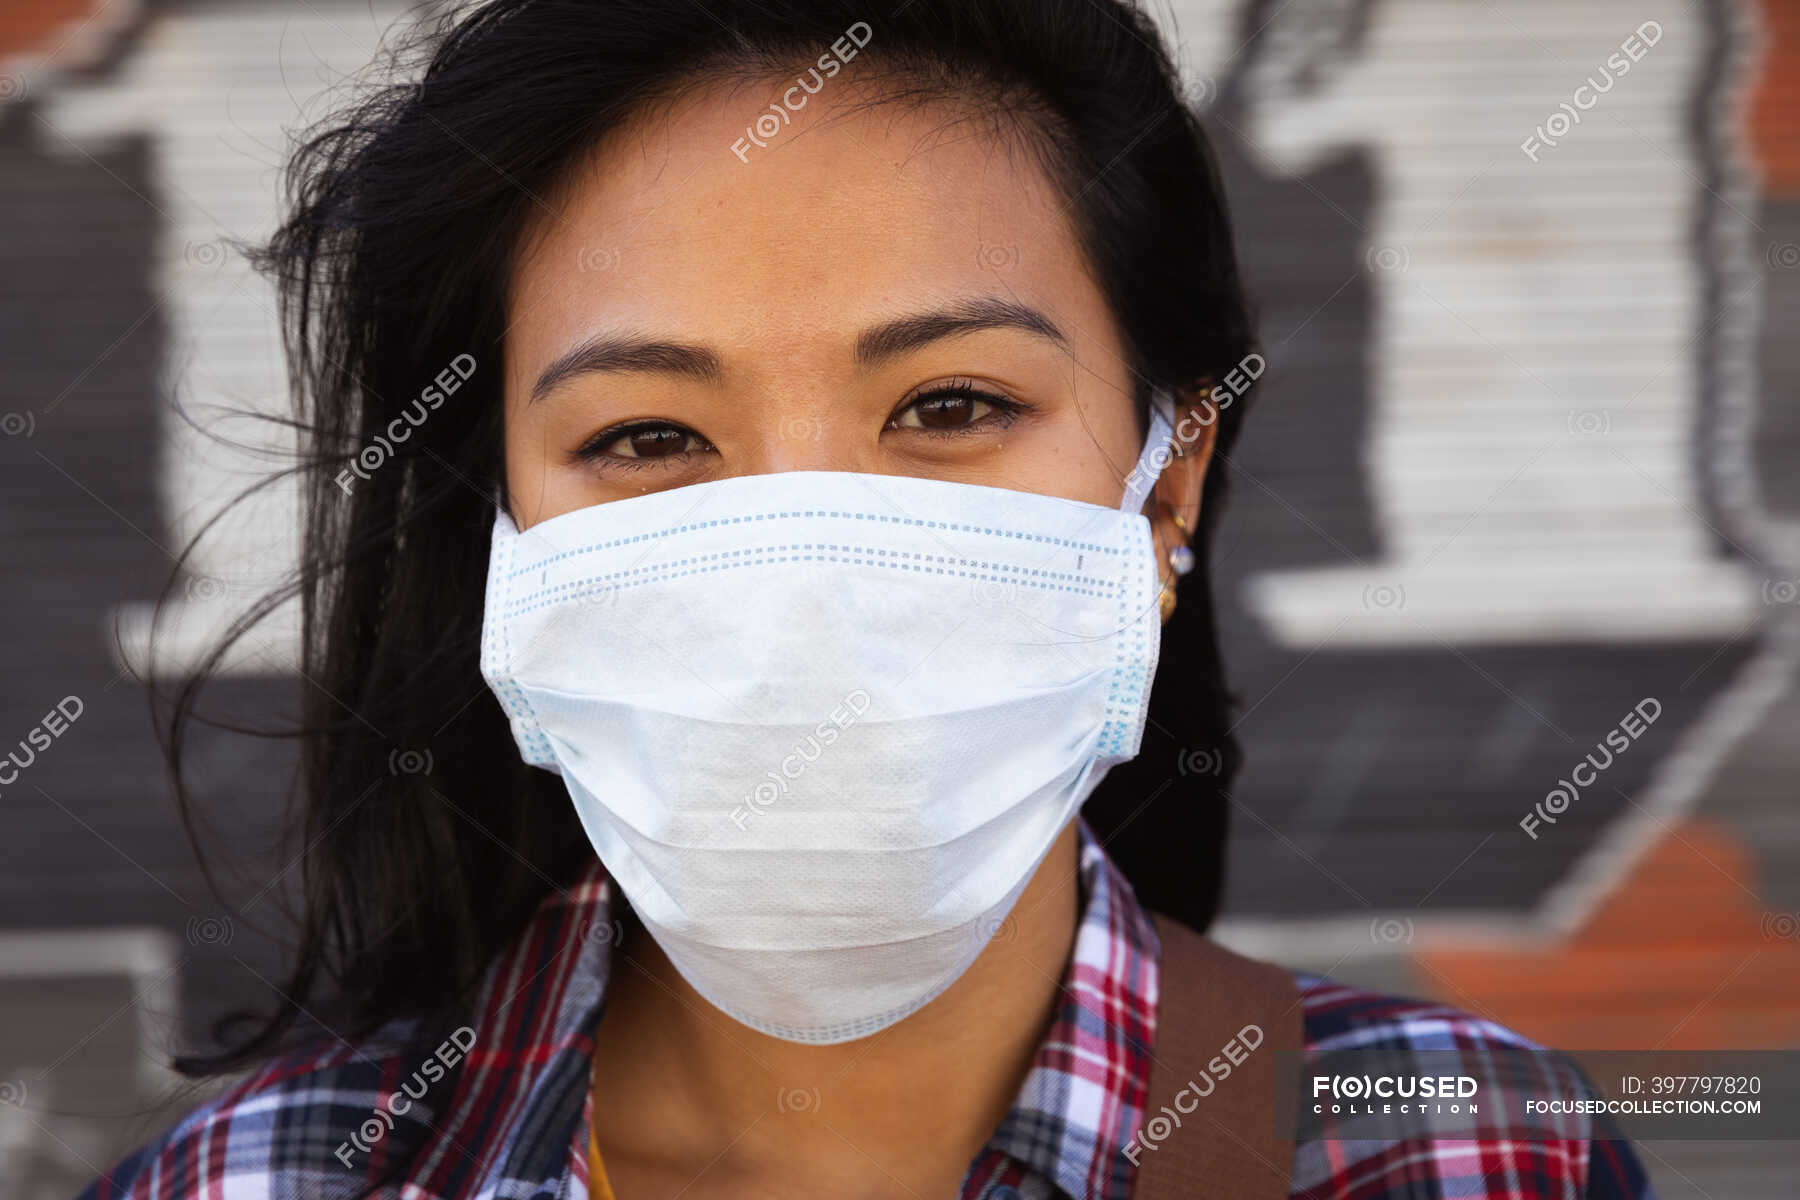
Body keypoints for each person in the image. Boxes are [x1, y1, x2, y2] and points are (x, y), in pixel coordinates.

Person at [83, 1, 1656, 1196]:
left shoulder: (1470, 1160)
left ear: (1167, 481)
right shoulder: (257, 1177)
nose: (805, 573)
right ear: (502, 532)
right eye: (646, 435)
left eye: (952, 405)